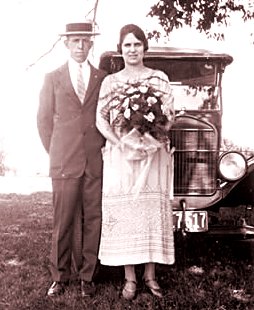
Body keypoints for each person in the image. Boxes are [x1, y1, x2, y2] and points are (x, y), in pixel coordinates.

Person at [96, 24, 175, 300]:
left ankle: (150, 275)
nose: (132, 50)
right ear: (121, 49)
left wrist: (151, 141)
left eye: (137, 44)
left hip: (152, 155)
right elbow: (101, 119)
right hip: (122, 157)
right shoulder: (111, 82)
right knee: (128, 210)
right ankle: (129, 278)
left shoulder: (159, 78)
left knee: (149, 209)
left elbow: (169, 116)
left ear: (144, 48)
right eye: (127, 45)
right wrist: (121, 143)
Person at [37, 21, 107, 298]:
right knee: (63, 220)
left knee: (93, 219)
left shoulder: (102, 78)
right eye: (75, 41)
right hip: (64, 160)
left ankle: (88, 276)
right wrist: (57, 151)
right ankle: (60, 275)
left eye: (85, 41)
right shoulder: (52, 78)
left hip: (94, 159)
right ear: (66, 43)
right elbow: (43, 121)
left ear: (91, 44)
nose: (80, 46)